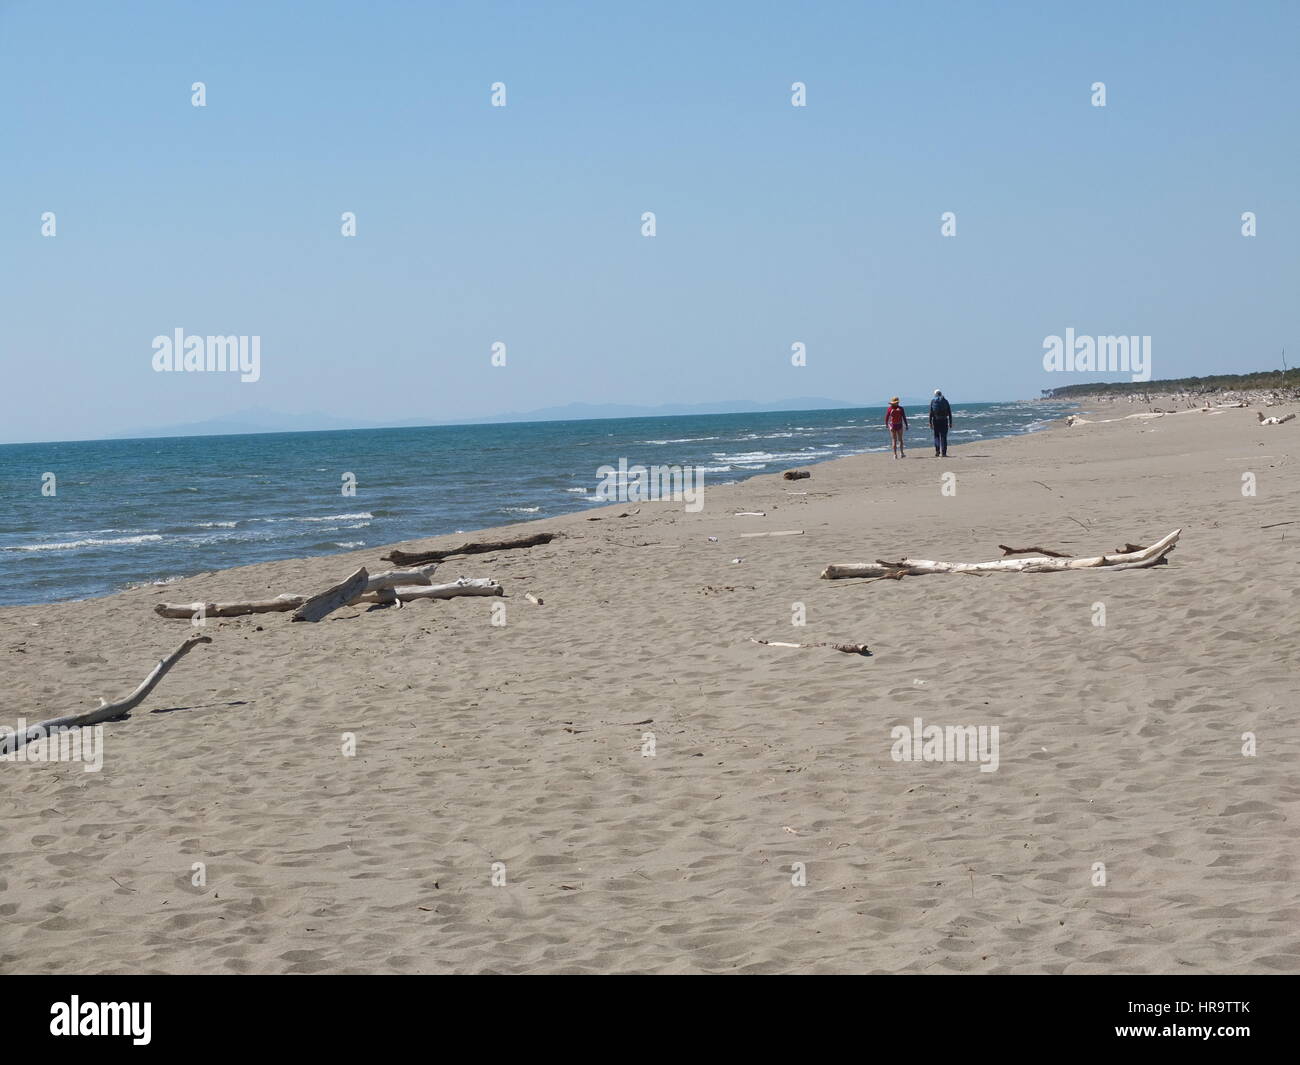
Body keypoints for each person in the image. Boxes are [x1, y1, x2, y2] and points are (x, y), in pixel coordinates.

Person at [929, 389, 953, 457]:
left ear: (935, 394)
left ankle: (937, 451)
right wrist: (950, 422)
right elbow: (949, 412)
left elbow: (931, 413)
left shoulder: (933, 401)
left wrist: (930, 422)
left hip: (936, 421)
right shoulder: (945, 401)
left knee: (936, 436)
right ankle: (944, 453)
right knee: (943, 437)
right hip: (944, 420)